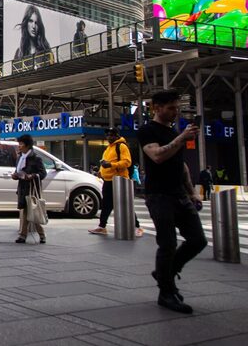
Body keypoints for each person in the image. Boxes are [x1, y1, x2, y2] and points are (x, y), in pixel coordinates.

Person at [137, 90, 207, 314]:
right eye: (170, 108)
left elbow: (181, 165)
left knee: (198, 240)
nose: (175, 112)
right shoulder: (147, 130)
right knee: (167, 244)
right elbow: (157, 155)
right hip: (159, 195)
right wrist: (181, 138)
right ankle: (166, 292)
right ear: (156, 107)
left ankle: (164, 273)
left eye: (177, 108)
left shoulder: (174, 131)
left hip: (179, 194)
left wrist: (192, 192)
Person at [88, 128, 144, 237]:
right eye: (107, 135)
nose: (109, 137)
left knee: (126, 204)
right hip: (108, 180)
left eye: (111, 135)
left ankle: (137, 227)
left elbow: (127, 162)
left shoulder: (121, 146)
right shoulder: (108, 148)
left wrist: (111, 165)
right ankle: (102, 226)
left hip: (120, 180)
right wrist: (101, 171)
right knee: (106, 205)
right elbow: (105, 162)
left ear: (117, 135)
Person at [13, 134, 47, 244]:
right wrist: (15, 175)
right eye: (19, 144)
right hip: (22, 188)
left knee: (31, 212)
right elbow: (18, 171)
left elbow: (43, 173)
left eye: (21, 144)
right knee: (28, 212)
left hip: (32, 189)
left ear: (27, 145)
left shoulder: (36, 158)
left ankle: (25, 235)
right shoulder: (20, 157)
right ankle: (38, 235)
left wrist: (32, 176)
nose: (19, 146)